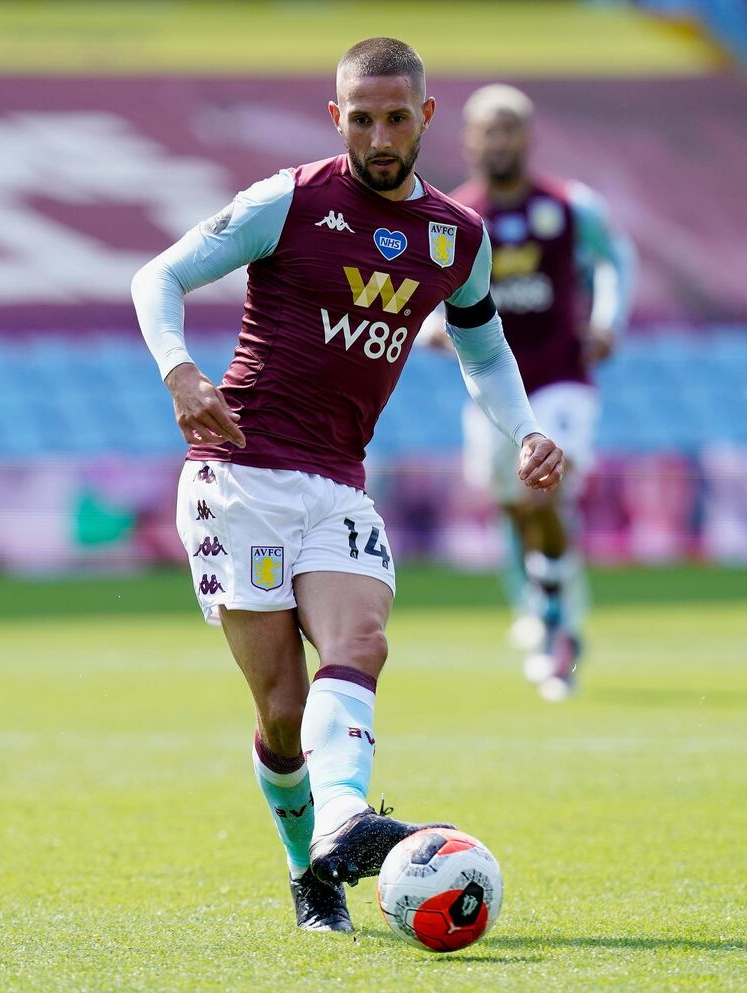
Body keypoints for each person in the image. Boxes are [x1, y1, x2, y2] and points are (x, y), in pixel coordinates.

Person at [132, 40, 564, 934]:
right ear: (337, 118)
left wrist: (524, 428)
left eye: (395, 117)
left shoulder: (458, 236)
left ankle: (343, 822)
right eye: (360, 118)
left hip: (337, 481)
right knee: (282, 711)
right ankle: (310, 871)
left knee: (360, 638)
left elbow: (482, 346)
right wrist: (180, 373)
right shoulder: (287, 201)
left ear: (425, 118)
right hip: (238, 474)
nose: (378, 134)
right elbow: (158, 275)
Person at [421, 84, 634, 702]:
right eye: (488, 130)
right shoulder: (456, 217)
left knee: (545, 492)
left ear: (528, 137)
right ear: (467, 141)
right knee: (516, 506)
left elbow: (617, 256)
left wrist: (608, 321)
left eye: (509, 128)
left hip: (563, 377)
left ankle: (555, 627)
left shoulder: (569, 207)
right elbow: (424, 296)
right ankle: (547, 604)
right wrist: (434, 329)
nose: (499, 140)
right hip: (494, 392)